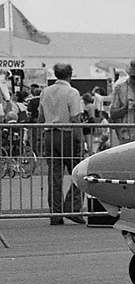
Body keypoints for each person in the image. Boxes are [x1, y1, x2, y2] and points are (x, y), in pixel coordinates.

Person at [40, 63, 86, 224]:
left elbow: (40, 116)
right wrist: (81, 140)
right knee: (80, 172)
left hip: (49, 134)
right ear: (71, 74)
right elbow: (75, 118)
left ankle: (55, 213)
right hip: (67, 134)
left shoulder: (45, 92)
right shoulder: (72, 92)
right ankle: (72, 207)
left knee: (54, 176)